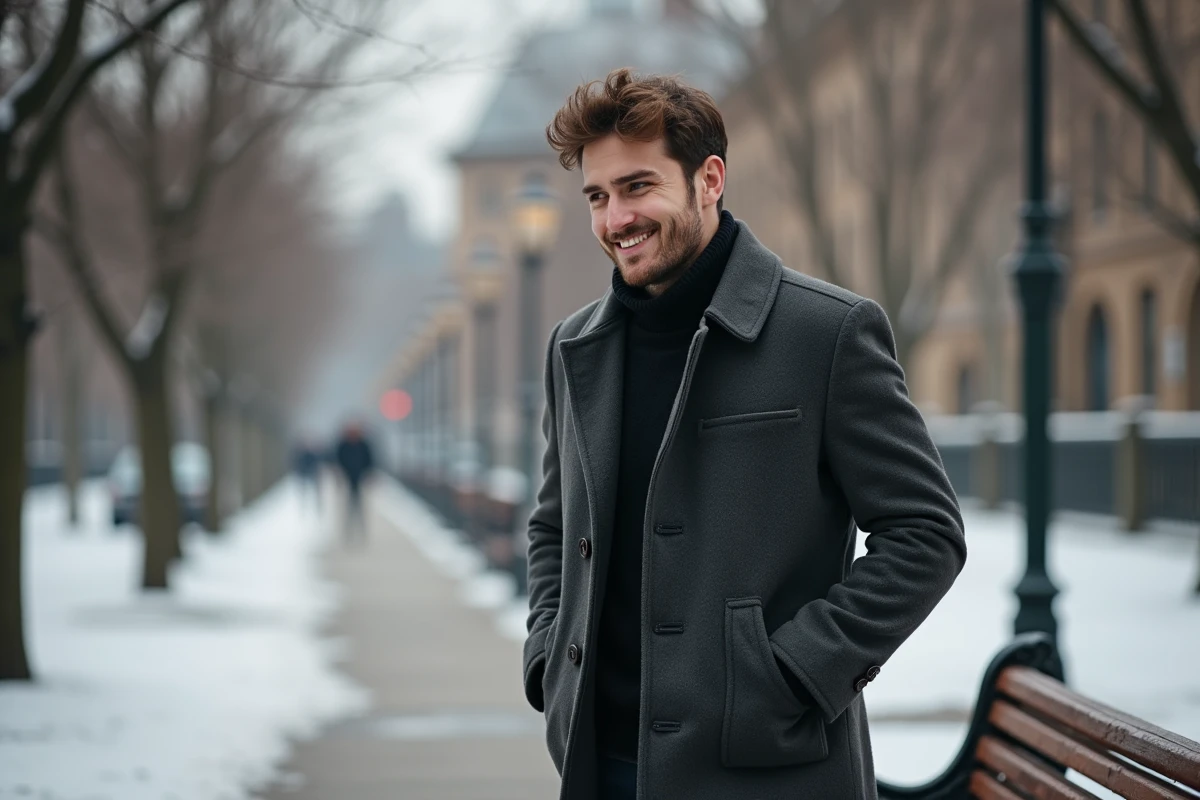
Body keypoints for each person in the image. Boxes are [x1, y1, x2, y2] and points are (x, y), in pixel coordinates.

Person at [521, 69, 966, 800]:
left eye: (638, 187)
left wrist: (793, 673)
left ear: (710, 179)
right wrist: (547, 656)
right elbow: (553, 528)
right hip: (600, 766)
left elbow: (926, 534)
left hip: (771, 769)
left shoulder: (826, 333)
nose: (615, 220)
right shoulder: (576, 350)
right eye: (597, 197)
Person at [334, 422, 375, 545]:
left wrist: (368, 475)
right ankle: (348, 532)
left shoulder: (363, 445)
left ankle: (361, 532)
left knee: (360, 507)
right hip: (348, 479)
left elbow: (370, 461)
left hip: (360, 479)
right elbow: (338, 460)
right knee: (348, 507)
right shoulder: (343, 445)